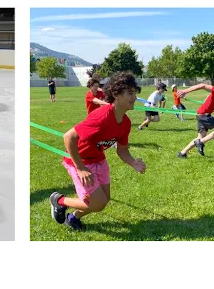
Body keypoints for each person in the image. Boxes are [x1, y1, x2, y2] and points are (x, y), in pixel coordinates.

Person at [49, 71, 146, 232]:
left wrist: (133, 162)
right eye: (130, 93)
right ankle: (59, 201)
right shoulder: (102, 117)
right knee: (97, 203)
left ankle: (73, 218)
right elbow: (68, 137)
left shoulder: (126, 123)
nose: (134, 97)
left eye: (135, 93)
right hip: (79, 161)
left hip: (98, 160)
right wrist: (80, 168)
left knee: (104, 199)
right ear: (117, 94)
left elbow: (122, 150)